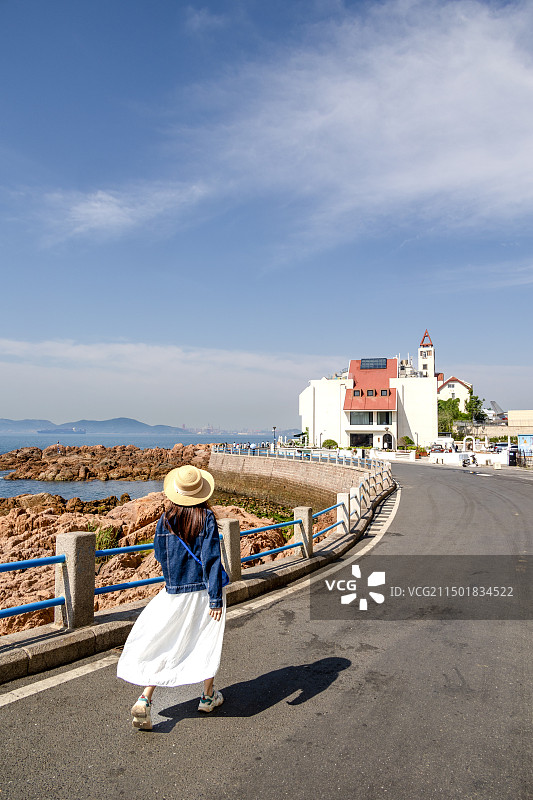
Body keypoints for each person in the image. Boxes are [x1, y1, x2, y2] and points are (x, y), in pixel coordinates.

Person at [117, 464, 226, 731]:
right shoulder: (206, 519)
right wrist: (215, 599)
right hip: (202, 592)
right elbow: (211, 561)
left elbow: (158, 554)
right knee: (207, 641)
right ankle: (207, 696)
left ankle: (145, 697)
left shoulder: (165, 520)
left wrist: (173, 580)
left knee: (167, 644)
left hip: (173, 592)